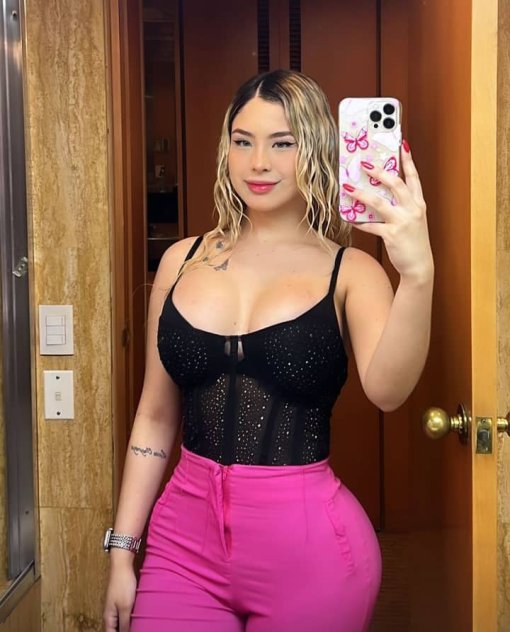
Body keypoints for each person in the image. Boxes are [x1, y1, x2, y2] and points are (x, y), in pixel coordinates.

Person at [103, 69, 434, 632]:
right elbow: (155, 417)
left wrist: (418, 275)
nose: (258, 163)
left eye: (283, 144)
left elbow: (388, 391)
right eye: (243, 141)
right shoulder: (181, 261)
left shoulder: (352, 272)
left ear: (317, 151)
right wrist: (121, 550)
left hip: (311, 556)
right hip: (182, 548)